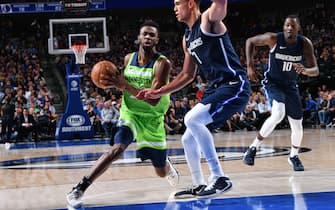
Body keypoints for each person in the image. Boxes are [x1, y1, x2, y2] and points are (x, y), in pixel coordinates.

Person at [137, 0, 250, 198]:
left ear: (190, 4)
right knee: (187, 138)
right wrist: (158, 92)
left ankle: (219, 177)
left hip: (234, 85)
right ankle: (199, 184)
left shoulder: (208, 20)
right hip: (215, 88)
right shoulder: (187, 37)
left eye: (178, 3)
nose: (174, 8)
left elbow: (221, 4)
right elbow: (187, 75)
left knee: (191, 119)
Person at [66, 20, 179, 208]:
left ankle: (167, 166)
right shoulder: (128, 59)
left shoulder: (162, 64)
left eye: (152, 34)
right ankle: (80, 187)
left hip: (152, 118)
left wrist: (124, 85)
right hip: (130, 113)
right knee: (116, 149)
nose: (148, 37)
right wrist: (111, 83)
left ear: (157, 39)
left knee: (160, 171)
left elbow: (153, 99)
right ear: (139, 38)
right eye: (145, 34)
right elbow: (121, 85)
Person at [243, 15, 319, 171]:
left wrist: (305, 70)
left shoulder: (304, 43)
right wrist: (249, 66)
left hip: (290, 85)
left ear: (298, 28)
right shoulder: (273, 38)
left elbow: (315, 70)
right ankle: (253, 148)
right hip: (273, 83)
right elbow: (250, 41)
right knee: (278, 113)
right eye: (287, 25)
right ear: (284, 27)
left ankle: (293, 156)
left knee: (297, 125)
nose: (289, 28)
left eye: (292, 26)